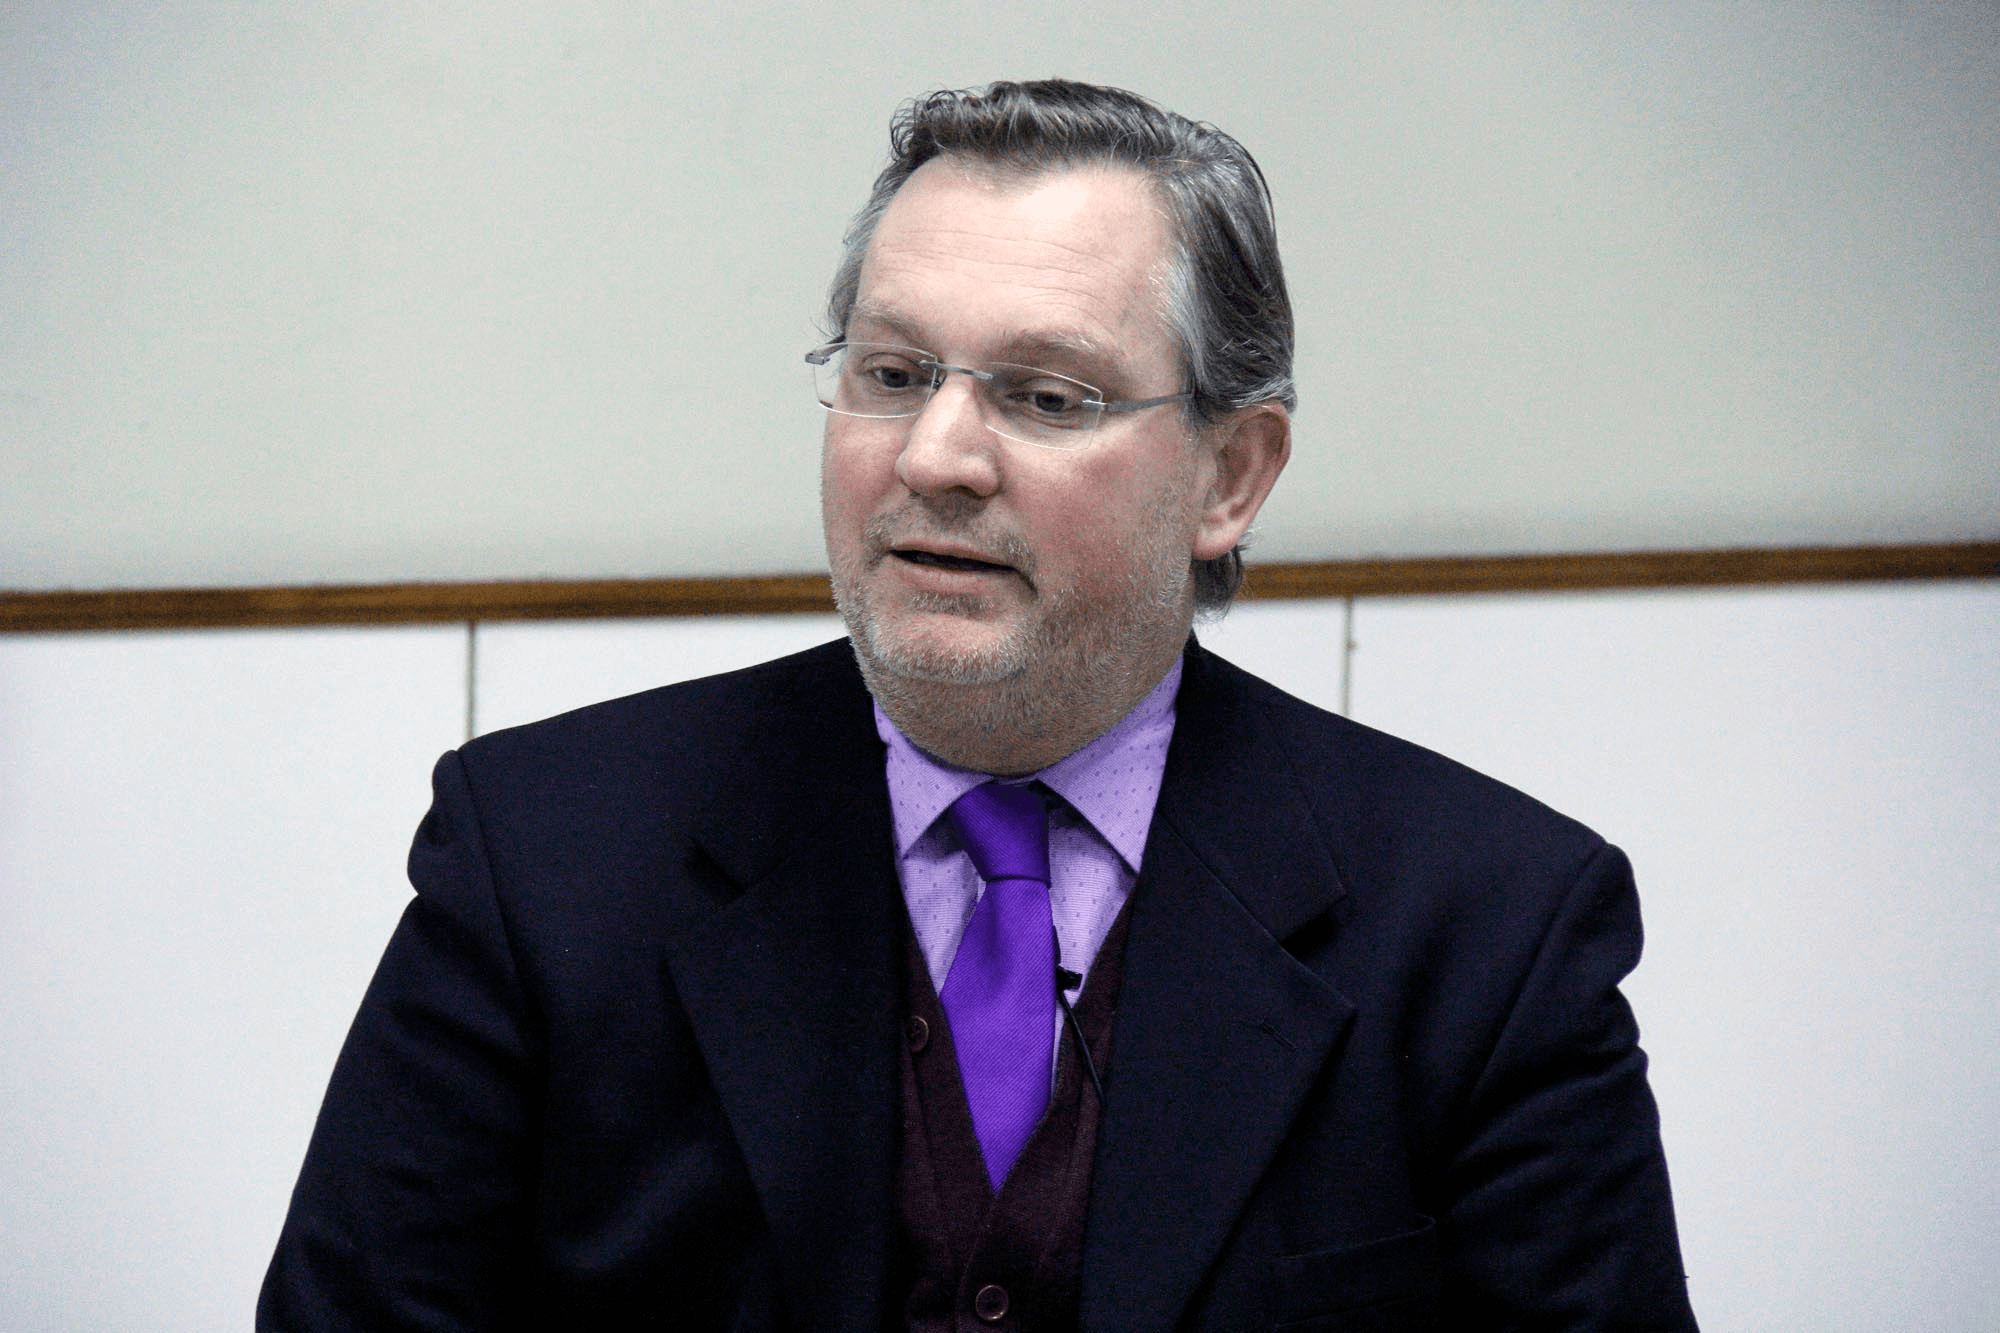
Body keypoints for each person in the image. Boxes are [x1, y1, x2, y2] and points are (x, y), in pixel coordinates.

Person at [260, 79, 1697, 1330]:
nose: (936, 456)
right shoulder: (544, 858)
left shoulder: (1490, 929)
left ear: (1232, 476)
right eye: (892, 375)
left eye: (1048, 397)